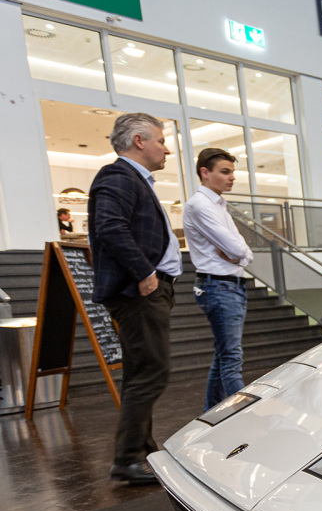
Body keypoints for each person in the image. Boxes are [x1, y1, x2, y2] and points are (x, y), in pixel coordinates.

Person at [87, 112, 180, 486]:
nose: (166, 148)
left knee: (142, 372)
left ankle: (142, 450)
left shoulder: (136, 179)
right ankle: (127, 458)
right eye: (160, 140)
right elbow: (110, 227)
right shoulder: (118, 175)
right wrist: (144, 274)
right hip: (138, 290)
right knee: (153, 372)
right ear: (139, 141)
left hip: (148, 288)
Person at [182, 148, 254, 412]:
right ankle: (242, 418)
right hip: (219, 286)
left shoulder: (218, 205)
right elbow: (236, 249)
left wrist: (241, 256)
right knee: (231, 359)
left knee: (223, 356)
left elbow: (242, 250)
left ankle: (210, 413)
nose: (231, 177)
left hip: (227, 286)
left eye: (232, 172)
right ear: (205, 172)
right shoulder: (200, 205)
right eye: (225, 172)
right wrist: (240, 255)